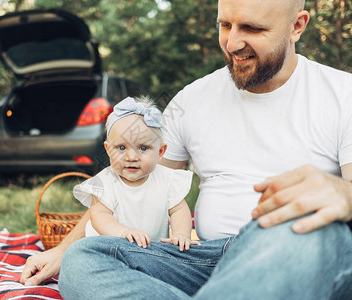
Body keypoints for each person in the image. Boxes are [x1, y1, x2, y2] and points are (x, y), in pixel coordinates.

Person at [21, 0, 352, 298]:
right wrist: (62, 251)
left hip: (296, 246)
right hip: (207, 260)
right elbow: (126, 186)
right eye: (225, 25)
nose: (233, 43)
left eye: (252, 28)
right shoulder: (192, 100)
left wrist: (344, 194)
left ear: (297, 26)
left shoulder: (342, 95)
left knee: (307, 230)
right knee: (85, 259)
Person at [73, 95, 198, 251]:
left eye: (143, 148)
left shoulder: (167, 179)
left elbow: (179, 210)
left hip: (150, 252)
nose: (131, 157)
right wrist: (124, 233)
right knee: (85, 256)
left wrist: (181, 234)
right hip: (109, 250)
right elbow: (99, 216)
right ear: (108, 150)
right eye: (121, 148)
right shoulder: (105, 182)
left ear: (160, 152)